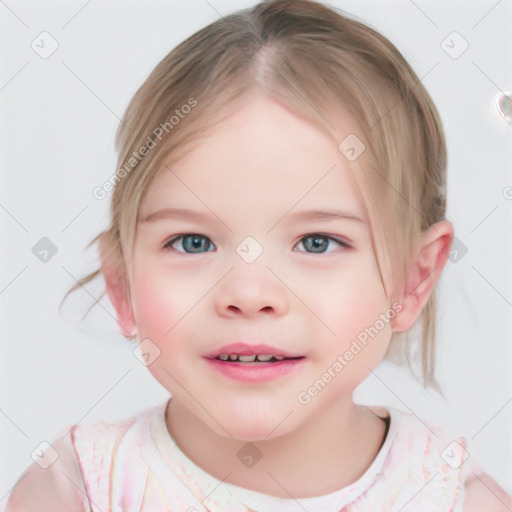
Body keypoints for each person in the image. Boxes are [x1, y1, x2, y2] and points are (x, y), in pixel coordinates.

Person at [6, 0, 511, 510]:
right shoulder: (72, 492)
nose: (249, 295)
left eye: (317, 242)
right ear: (122, 284)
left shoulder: (456, 500)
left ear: (413, 280)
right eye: (192, 242)